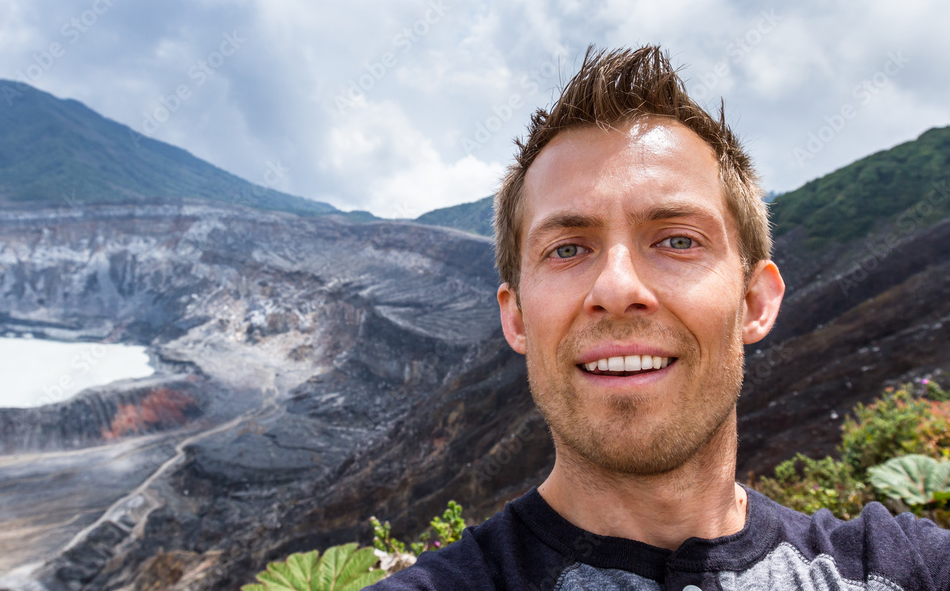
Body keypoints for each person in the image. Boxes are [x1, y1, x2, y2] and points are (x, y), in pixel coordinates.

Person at [367, 46, 950, 590]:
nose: (617, 288)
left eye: (676, 240)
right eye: (568, 248)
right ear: (516, 316)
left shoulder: (899, 569)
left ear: (754, 301)